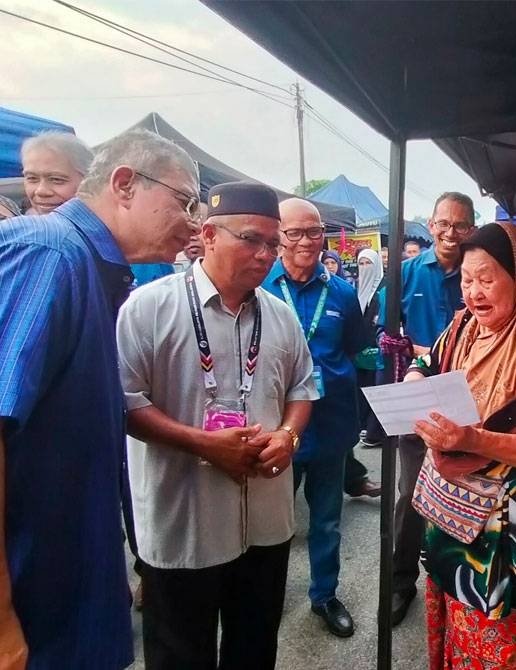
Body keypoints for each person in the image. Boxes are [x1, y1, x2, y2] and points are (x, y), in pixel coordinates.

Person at [0, 128, 200, 670]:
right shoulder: (46, 253)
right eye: (184, 201)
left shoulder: (88, 267)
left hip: (61, 596)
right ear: (125, 184)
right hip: (21, 614)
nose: (194, 222)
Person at [118, 182, 317, 669]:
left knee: (254, 647)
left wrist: (288, 436)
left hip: (265, 520)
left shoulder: (280, 315)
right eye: (252, 239)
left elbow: (303, 388)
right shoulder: (147, 309)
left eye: (274, 243)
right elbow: (123, 402)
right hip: (186, 520)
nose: (267, 254)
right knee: (179, 654)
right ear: (208, 234)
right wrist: (204, 443)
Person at [408, 222, 516, 669]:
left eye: (487, 279)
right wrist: (415, 379)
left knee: (497, 643)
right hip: (451, 515)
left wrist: (470, 438)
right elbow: (429, 361)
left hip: (505, 530)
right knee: (452, 625)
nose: (474, 292)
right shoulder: (465, 325)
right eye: (467, 280)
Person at [262, 198, 375, 638]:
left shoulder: (343, 293)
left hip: (330, 426)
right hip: (276, 428)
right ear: (279, 235)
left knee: (326, 520)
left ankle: (324, 596)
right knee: (272, 523)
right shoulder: (263, 287)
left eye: (314, 231)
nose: (306, 241)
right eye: (295, 233)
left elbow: (350, 350)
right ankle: (264, 597)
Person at [386, 191, 475, 626]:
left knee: (464, 493)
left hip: (469, 405)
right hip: (417, 399)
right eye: (443, 223)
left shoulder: (479, 274)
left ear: (471, 230)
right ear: (431, 224)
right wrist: (409, 351)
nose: (450, 233)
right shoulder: (403, 273)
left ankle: (456, 585)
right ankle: (401, 583)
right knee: (409, 496)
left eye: (459, 226)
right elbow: (379, 335)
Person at [20, 130, 93, 214]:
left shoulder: (107, 224)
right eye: (32, 178)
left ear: (88, 182)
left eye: (56, 179)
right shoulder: (15, 225)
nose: (41, 191)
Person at [355, 248, 386, 447]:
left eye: (369, 264)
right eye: (361, 264)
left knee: (377, 389)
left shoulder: (383, 289)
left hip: (377, 350)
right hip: (360, 352)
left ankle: (375, 430)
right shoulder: (357, 289)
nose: (365, 268)